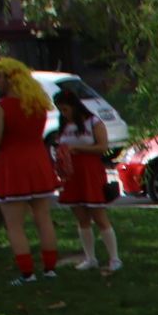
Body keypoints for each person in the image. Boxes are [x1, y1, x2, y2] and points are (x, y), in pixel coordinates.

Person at [0, 58, 59, 284]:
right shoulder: (37, 105)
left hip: (12, 166)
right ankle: (50, 269)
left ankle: (27, 273)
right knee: (43, 218)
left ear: (9, 77)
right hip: (38, 163)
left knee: (15, 224)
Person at [52, 87, 121, 272]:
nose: (63, 113)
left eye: (65, 109)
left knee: (98, 215)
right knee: (81, 217)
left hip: (90, 171)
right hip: (72, 174)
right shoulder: (64, 126)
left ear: (74, 106)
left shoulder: (94, 122)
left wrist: (80, 150)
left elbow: (102, 147)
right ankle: (90, 258)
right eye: (60, 110)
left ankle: (114, 258)